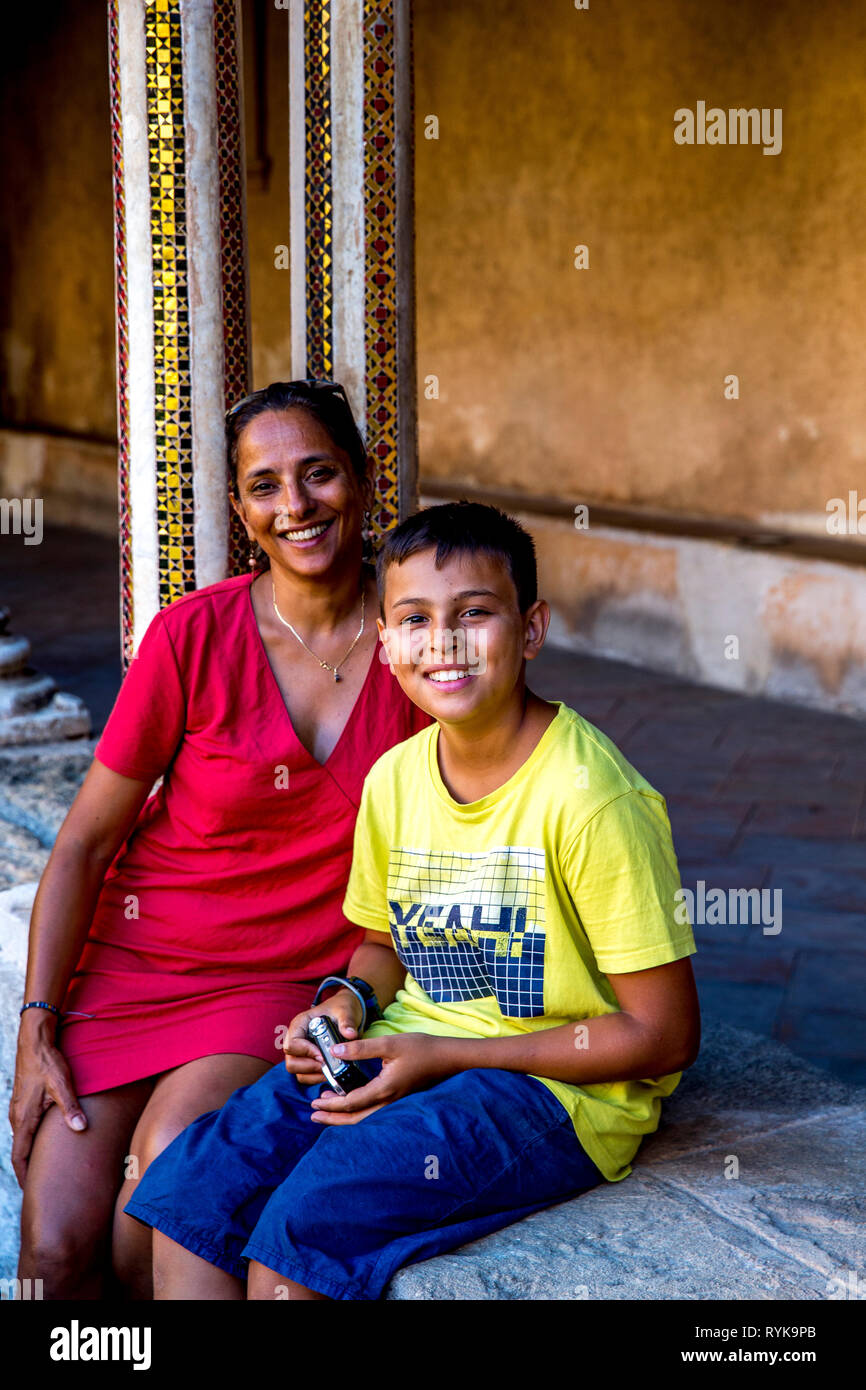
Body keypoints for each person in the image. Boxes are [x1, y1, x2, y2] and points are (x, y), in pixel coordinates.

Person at [124, 501, 701, 1302]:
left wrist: (448, 1056)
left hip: (552, 1091)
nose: (445, 642)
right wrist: (344, 1005)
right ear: (386, 642)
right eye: (415, 619)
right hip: (405, 1050)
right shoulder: (395, 779)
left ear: (530, 630)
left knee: (302, 1228)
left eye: (475, 613)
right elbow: (382, 947)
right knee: (192, 1190)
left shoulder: (590, 798)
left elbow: (665, 1034)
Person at [10, 380, 429, 1299]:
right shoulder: (191, 635)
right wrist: (36, 1023)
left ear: (362, 482)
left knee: (157, 1191)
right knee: (50, 1249)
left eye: (319, 474)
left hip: (285, 974)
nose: (296, 505)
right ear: (241, 510)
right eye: (266, 485)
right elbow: (82, 844)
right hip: (136, 962)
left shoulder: (417, 650)